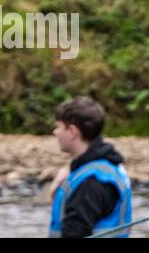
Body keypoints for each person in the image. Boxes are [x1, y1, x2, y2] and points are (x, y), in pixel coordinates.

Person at [48, 96, 132, 238]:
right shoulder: (105, 166)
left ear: (73, 131)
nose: (55, 132)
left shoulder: (91, 182)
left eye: (59, 127)